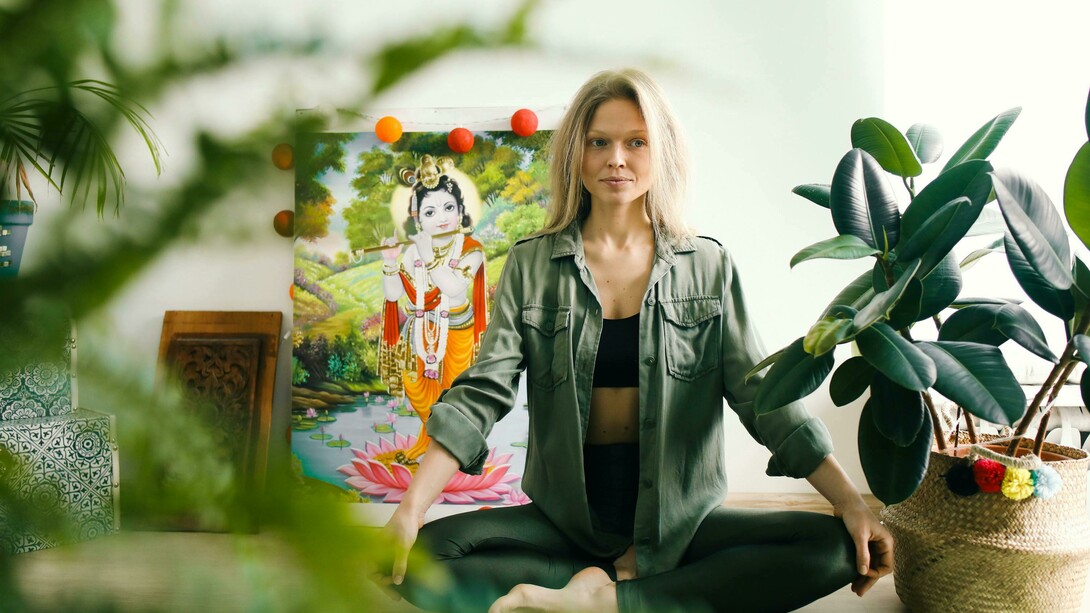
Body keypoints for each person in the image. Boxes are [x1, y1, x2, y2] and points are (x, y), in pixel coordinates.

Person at [377, 69, 893, 613]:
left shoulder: (707, 265)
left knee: (835, 549)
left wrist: (851, 502)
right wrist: (411, 509)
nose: (615, 158)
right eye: (599, 142)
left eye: (635, 142)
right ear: (576, 153)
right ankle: (625, 590)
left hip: (681, 521)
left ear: (661, 151)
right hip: (569, 522)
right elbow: (481, 393)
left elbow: (762, 398)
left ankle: (599, 602)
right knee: (424, 557)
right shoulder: (532, 264)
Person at [379, 155, 487, 460]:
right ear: (418, 220)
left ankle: (442, 453)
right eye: (430, 211)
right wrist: (390, 264)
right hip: (419, 332)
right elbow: (394, 295)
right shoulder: (413, 251)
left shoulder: (470, 249)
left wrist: (429, 259)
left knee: (453, 394)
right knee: (415, 386)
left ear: (461, 212)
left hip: (457, 329)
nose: (441, 217)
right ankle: (438, 445)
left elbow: (453, 287)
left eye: (448, 208)